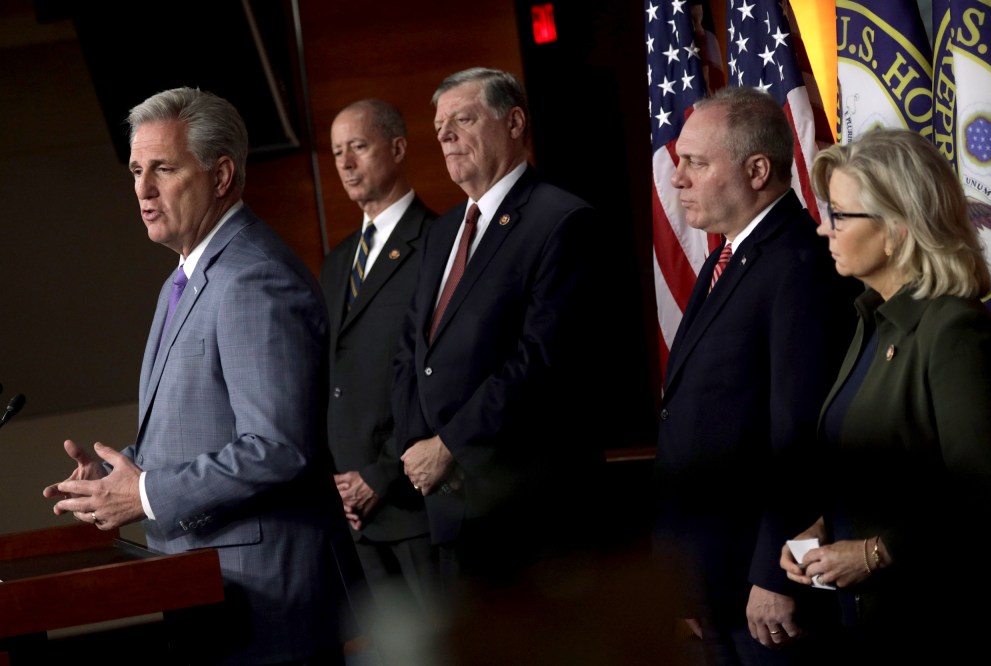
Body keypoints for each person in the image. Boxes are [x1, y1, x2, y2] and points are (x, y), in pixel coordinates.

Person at [43, 87, 349, 665]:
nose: (142, 189)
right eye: (136, 170)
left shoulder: (252, 277)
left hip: (267, 597)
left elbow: (277, 447)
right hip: (211, 589)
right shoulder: (185, 277)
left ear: (222, 174)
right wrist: (112, 477)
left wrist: (146, 493)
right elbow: (200, 425)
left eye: (163, 168)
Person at [652, 87, 859, 665]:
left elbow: (798, 434)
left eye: (695, 162)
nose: (678, 179)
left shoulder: (798, 267)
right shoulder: (733, 256)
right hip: (712, 573)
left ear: (758, 169)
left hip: (763, 590)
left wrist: (777, 572)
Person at [779, 128, 991, 661]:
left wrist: (878, 553)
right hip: (863, 619)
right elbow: (878, 468)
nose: (821, 227)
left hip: (934, 622)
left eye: (839, 214)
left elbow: (986, 496)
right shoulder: (871, 319)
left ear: (898, 229)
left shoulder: (952, 330)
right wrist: (824, 526)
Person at [390, 67, 607, 587]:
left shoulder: (560, 219)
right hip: (448, 505)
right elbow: (411, 351)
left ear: (513, 122)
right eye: (440, 125)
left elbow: (539, 359)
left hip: (529, 509)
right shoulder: (442, 232)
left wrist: (450, 446)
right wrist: (417, 445)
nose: (444, 135)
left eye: (462, 119)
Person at [320, 99, 439, 638]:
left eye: (359, 147)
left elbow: (439, 376)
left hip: (414, 501)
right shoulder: (339, 259)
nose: (345, 163)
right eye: (337, 152)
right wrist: (338, 484)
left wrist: (380, 475)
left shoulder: (438, 244)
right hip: (355, 515)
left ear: (397, 149)